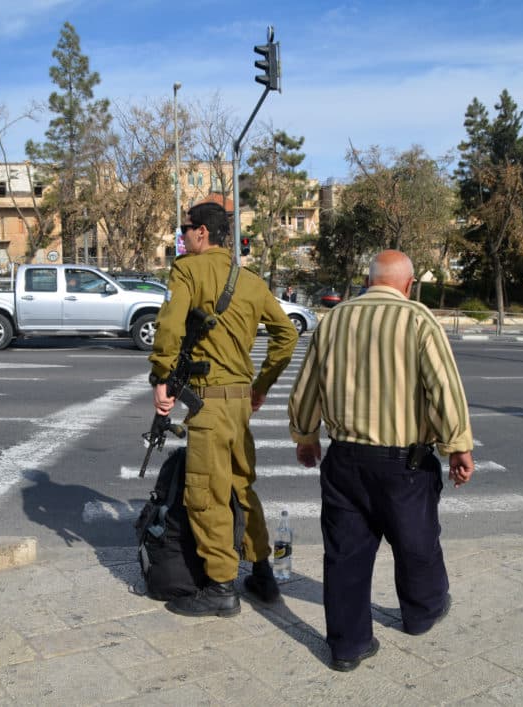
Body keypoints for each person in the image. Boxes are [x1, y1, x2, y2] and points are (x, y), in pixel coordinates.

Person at [288, 250, 474, 672]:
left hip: (345, 460)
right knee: (417, 543)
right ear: (407, 285)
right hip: (403, 464)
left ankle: (348, 646)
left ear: (369, 280)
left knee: (345, 554)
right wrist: (458, 447)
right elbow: (444, 388)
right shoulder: (418, 319)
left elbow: (307, 385)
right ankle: (422, 613)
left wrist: (305, 437)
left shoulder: (333, 320)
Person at [149, 201, 299, 617]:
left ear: (202, 233)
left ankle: (220, 588)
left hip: (208, 402)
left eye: (186, 229)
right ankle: (263, 573)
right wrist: (263, 385)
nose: (184, 237)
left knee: (205, 494)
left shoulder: (188, 271)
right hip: (240, 402)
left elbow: (170, 327)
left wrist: (162, 376)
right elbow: (286, 335)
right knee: (240, 487)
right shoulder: (250, 281)